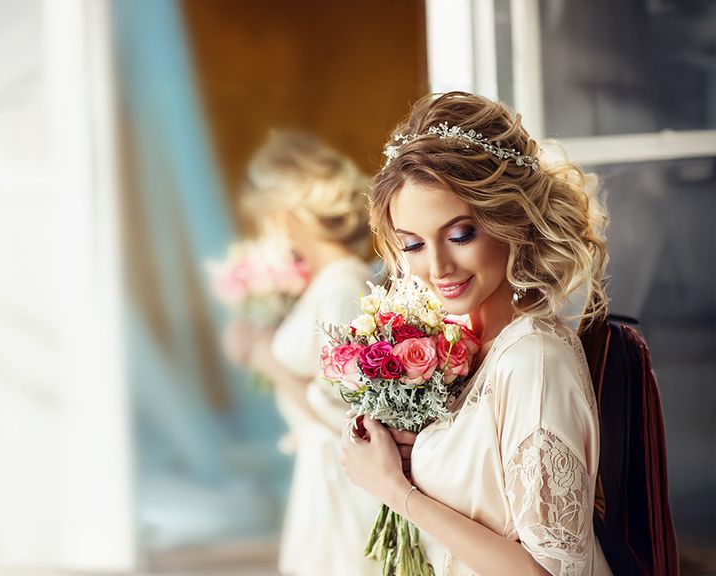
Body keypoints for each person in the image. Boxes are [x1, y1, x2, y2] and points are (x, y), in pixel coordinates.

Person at [339, 92, 613, 575]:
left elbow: (551, 572)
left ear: (511, 220)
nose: (438, 266)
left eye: (461, 235)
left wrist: (396, 491)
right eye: (414, 244)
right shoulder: (462, 348)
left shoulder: (535, 363)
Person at [223, 130, 382, 576]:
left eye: (265, 219)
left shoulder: (343, 289)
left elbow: (347, 416)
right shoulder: (325, 284)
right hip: (319, 476)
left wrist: (265, 358)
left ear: (286, 215)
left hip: (341, 482)